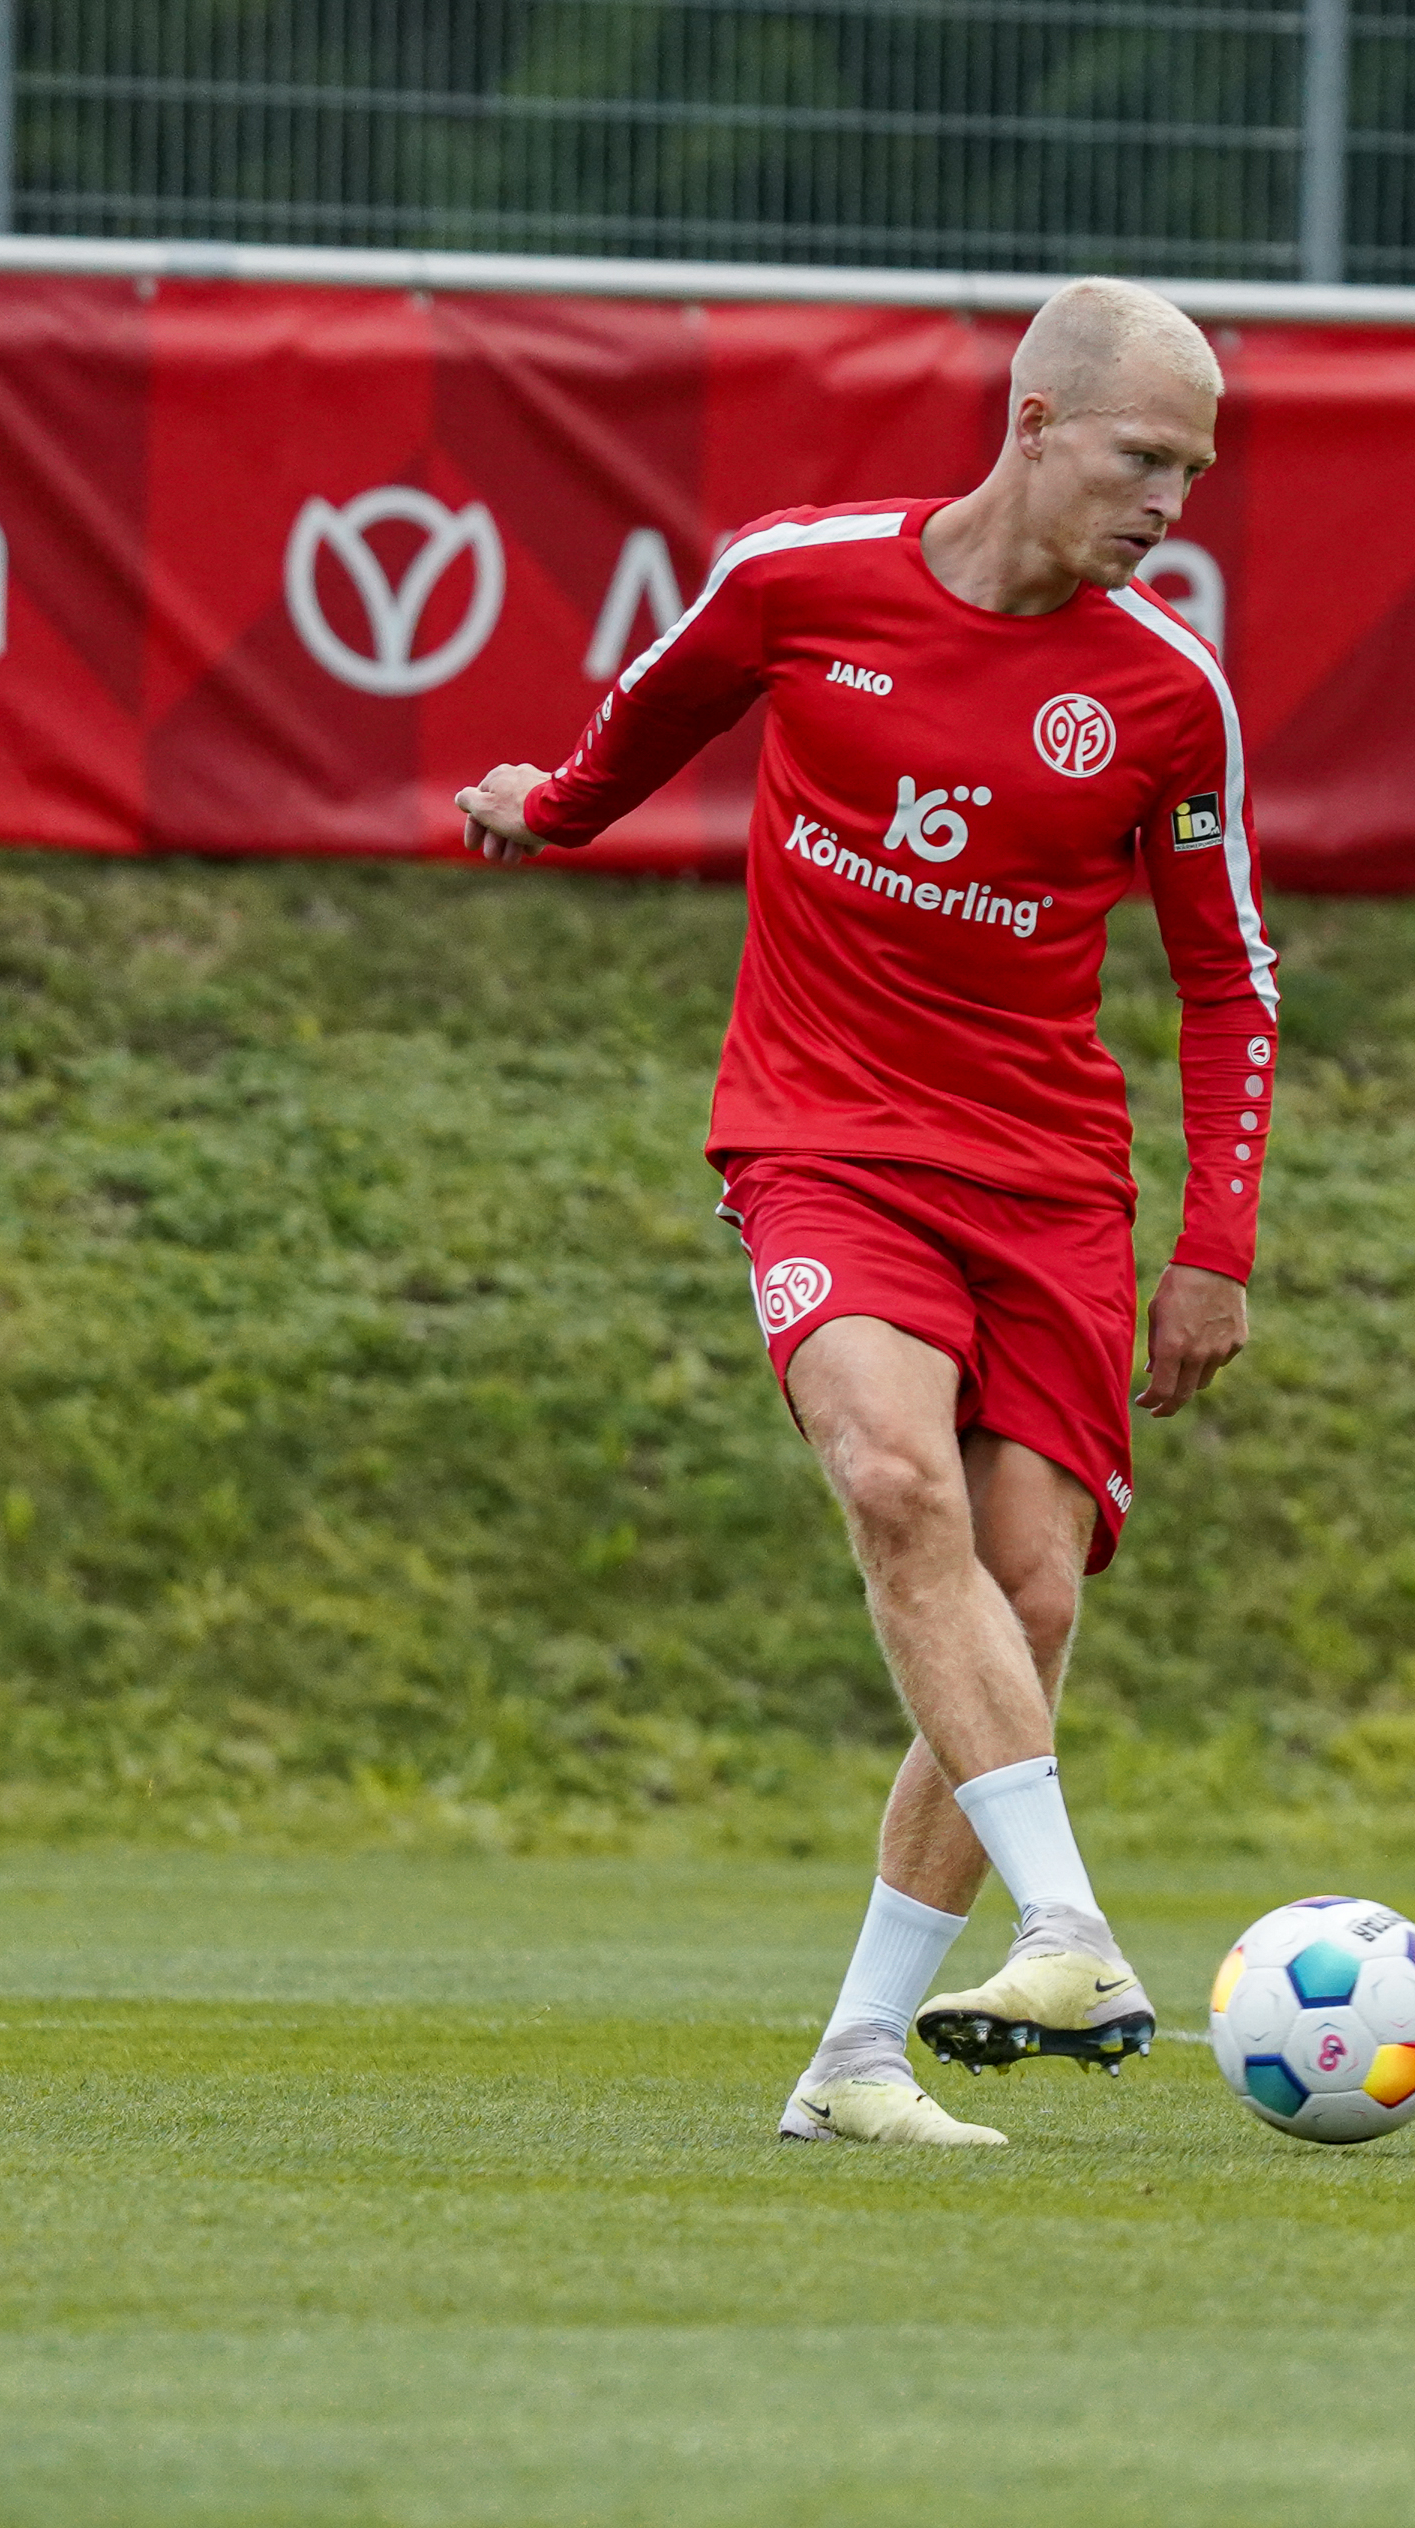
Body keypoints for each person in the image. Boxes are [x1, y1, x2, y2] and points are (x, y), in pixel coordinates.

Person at [452, 278, 1277, 2148]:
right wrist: (549, 811)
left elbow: (1229, 981)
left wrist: (1213, 1242)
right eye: (1145, 458)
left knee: (1030, 1594)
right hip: (823, 1140)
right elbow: (640, 728)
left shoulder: (1169, 693)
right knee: (896, 1486)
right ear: (1037, 422)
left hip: (1050, 1181)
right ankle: (1071, 1926)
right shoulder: (800, 581)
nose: (1171, 504)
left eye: (1197, 473)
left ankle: (850, 2063)